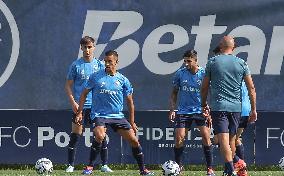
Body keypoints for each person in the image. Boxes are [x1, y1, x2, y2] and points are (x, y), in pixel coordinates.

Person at [76, 50, 154, 175]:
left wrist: (132, 122)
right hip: (99, 115)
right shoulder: (95, 77)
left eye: (110, 61)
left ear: (116, 62)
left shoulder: (123, 80)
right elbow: (84, 94)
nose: (107, 64)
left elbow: (130, 103)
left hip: (117, 116)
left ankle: (143, 169)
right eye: (105, 61)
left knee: (134, 141)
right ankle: (90, 167)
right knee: (100, 136)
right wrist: (80, 112)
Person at [201, 36, 257, 176]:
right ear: (234, 47)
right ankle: (232, 168)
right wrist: (254, 109)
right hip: (236, 108)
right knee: (231, 139)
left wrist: (203, 104)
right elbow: (251, 88)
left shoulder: (212, 62)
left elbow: (204, 87)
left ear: (220, 46)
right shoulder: (242, 63)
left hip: (219, 106)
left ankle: (229, 170)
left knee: (223, 139)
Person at [65, 36, 112, 173]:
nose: (87, 50)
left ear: (94, 47)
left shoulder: (100, 65)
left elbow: (106, 84)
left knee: (101, 135)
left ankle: (104, 165)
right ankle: (70, 165)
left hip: (97, 107)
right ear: (81, 48)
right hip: (80, 106)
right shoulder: (76, 65)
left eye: (90, 47)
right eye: (85, 47)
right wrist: (73, 101)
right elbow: (68, 86)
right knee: (75, 135)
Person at [169, 50, 215, 176]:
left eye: (189, 61)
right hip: (183, 111)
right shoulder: (180, 73)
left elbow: (211, 92)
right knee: (179, 139)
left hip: (200, 111)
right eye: (185, 61)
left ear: (196, 60)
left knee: (206, 137)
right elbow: (174, 93)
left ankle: (210, 169)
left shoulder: (204, 73)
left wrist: (208, 110)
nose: (186, 64)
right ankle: (178, 167)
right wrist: (173, 109)